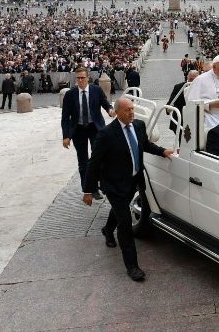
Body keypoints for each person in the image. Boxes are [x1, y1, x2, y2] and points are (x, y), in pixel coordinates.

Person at [82, 97, 174, 282]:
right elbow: (94, 163)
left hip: (133, 181)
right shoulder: (106, 134)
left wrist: (162, 151)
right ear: (117, 113)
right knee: (125, 222)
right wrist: (88, 190)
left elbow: (144, 144)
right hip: (114, 184)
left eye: (132, 109)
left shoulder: (139, 125)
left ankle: (108, 229)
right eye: (127, 110)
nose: (131, 112)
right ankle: (132, 266)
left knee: (120, 210)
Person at [62, 67, 116, 199]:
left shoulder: (96, 90)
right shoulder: (70, 94)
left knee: (98, 158)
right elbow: (65, 117)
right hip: (78, 130)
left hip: (95, 128)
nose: (80, 80)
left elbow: (105, 103)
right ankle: (89, 189)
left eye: (83, 78)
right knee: (83, 161)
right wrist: (66, 136)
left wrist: (110, 110)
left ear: (88, 78)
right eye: (78, 78)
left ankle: (101, 185)